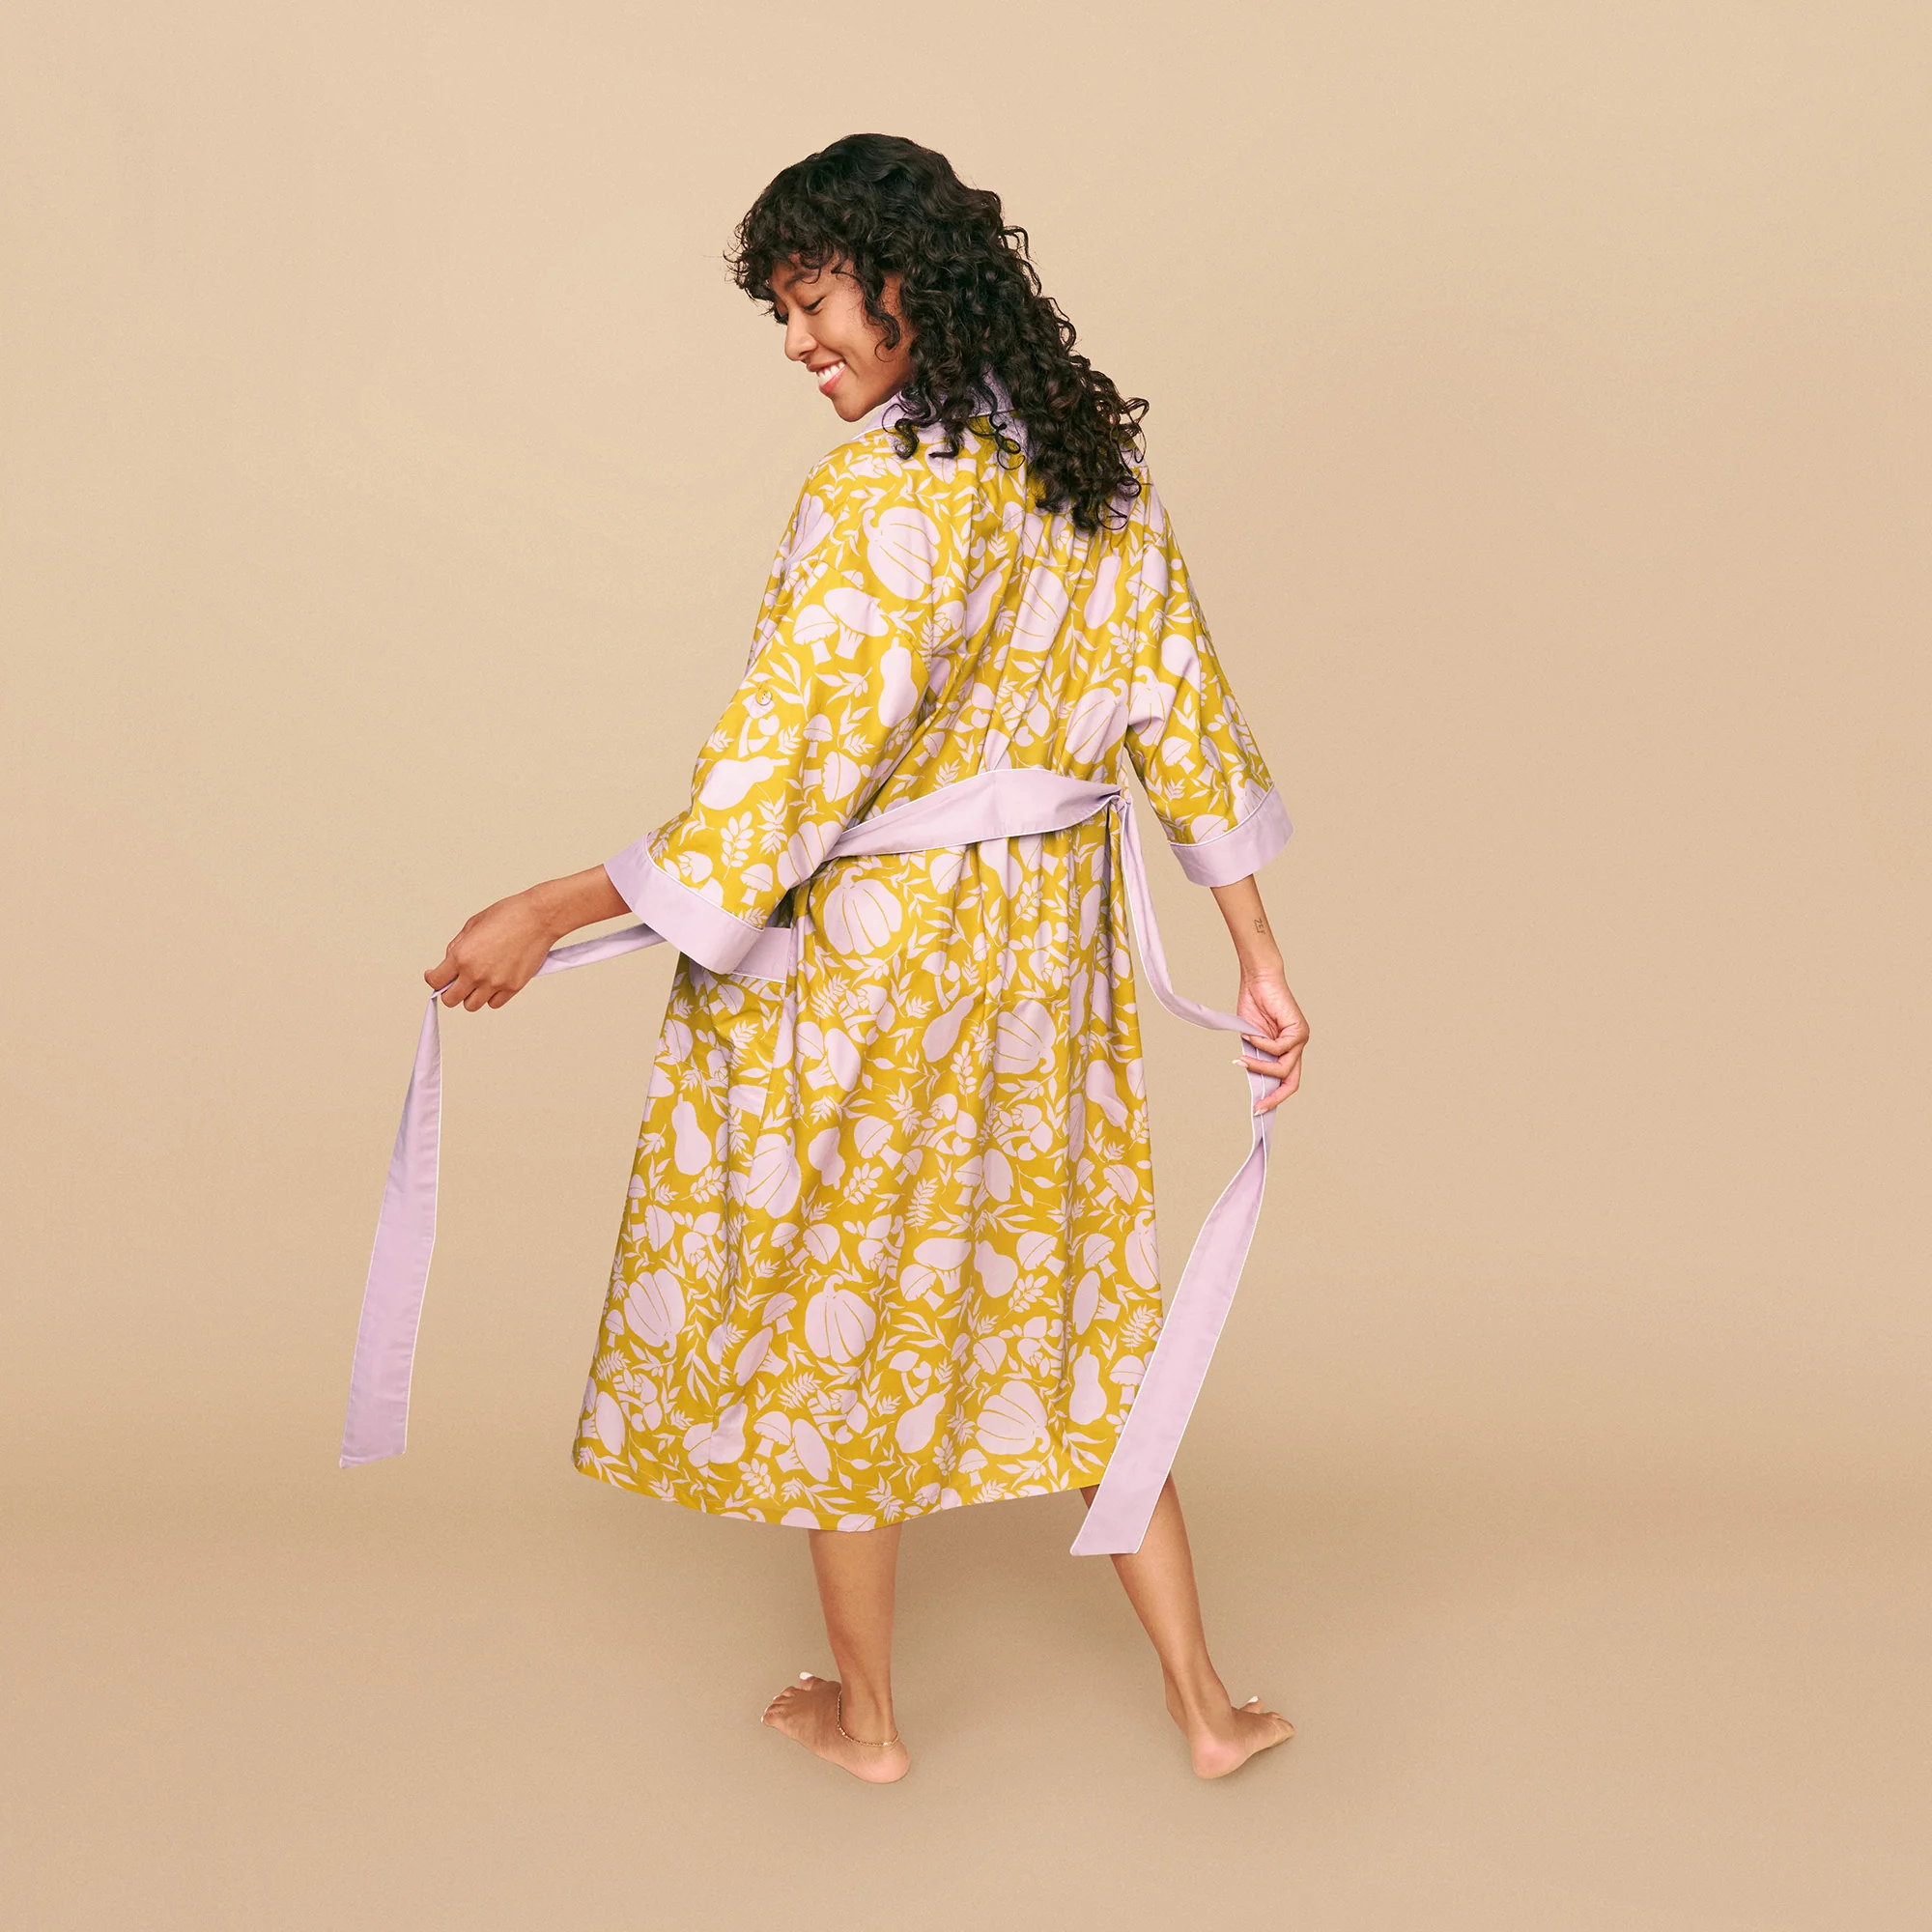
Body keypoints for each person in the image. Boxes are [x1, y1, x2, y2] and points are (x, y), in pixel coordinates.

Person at [424, 134, 1310, 1783]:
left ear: (909, 282)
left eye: (813, 300)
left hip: (874, 980)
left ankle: (871, 1722)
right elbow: (1186, 715)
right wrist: (1257, 957)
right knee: (1077, 1304)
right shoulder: (1094, 482)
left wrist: (549, 908)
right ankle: (1204, 1709)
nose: (796, 343)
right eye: (780, 313)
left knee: (847, 1304)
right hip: (1044, 989)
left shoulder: (875, 498)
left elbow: (778, 780)